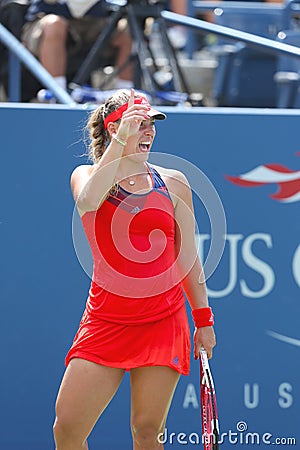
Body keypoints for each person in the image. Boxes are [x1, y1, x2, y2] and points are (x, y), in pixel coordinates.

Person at [53, 88, 216, 450]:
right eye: (137, 124)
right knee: (66, 429)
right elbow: (89, 200)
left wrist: (203, 320)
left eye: (151, 124)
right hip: (106, 320)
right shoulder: (85, 175)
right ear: (114, 129)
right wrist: (121, 140)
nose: (148, 131)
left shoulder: (174, 182)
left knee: (147, 432)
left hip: (163, 320)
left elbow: (187, 256)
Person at [21, 0, 133, 98]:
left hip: (95, 23)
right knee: (54, 24)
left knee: (128, 28)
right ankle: (58, 97)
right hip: (47, 20)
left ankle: (126, 97)